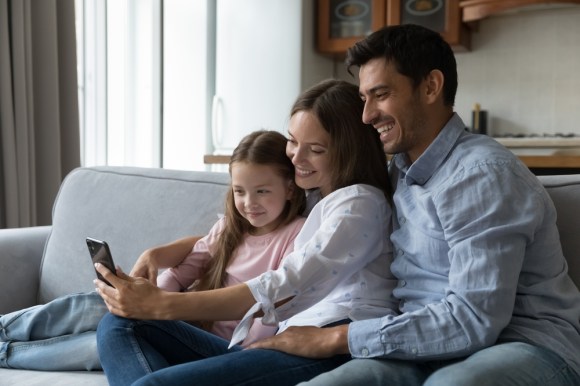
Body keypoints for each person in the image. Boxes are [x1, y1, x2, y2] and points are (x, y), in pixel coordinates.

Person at [247, 24, 580, 386]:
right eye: (364, 99)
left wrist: (334, 338)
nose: (367, 115)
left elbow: (474, 319)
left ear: (431, 87)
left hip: (521, 343)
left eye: (381, 94)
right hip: (421, 343)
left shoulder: (481, 174)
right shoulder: (398, 173)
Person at [94, 79, 397, 386]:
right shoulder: (312, 198)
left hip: (325, 347)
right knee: (119, 325)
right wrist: (155, 257)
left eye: (315, 149)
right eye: (293, 141)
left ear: (349, 151)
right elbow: (229, 239)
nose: (296, 158)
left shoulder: (359, 204)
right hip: (277, 343)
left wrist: (162, 304)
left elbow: (285, 284)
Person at [0, 129, 306, 370]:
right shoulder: (229, 228)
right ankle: (4, 329)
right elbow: (183, 271)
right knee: (100, 305)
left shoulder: (298, 235)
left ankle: (6, 352)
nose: (249, 203)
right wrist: (149, 294)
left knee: (99, 346)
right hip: (181, 324)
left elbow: (270, 315)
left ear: (290, 189)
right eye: (240, 191)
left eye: (262, 192)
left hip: (220, 348)